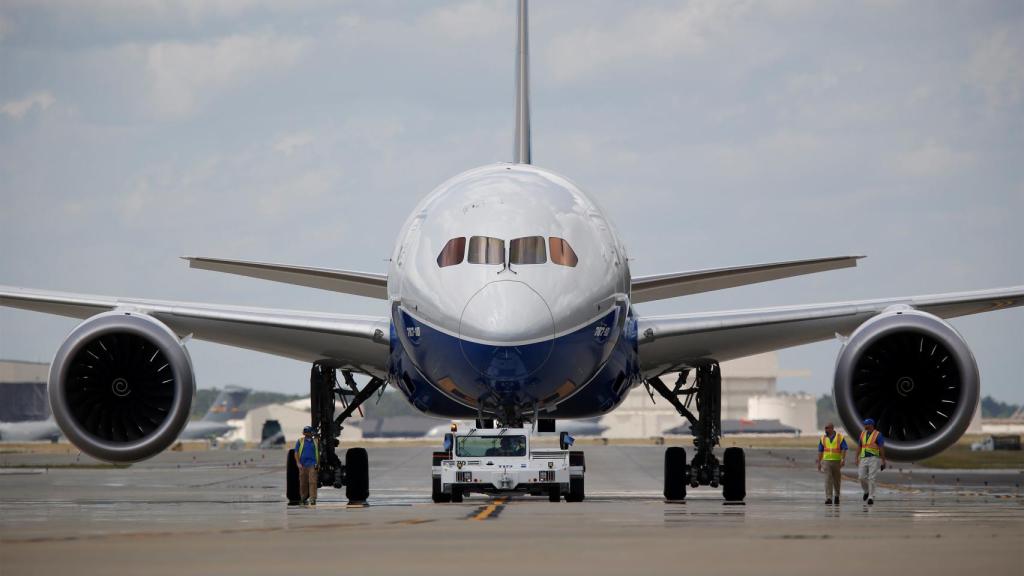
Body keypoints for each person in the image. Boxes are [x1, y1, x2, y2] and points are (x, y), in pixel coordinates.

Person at [856, 418, 887, 505]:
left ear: (871, 425)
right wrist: (856, 457)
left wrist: (883, 460)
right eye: (865, 424)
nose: (865, 426)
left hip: (873, 458)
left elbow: (881, 447)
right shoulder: (862, 434)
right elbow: (859, 446)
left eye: (867, 424)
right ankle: (866, 491)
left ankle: (871, 497)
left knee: (872, 478)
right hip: (863, 458)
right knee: (861, 477)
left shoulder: (878, 435)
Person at [816, 422, 847, 505]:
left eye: (827, 428)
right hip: (826, 461)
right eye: (825, 428)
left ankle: (837, 495)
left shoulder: (840, 437)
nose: (825, 430)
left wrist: (843, 459)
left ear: (832, 428)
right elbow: (820, 451)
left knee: (837, 480)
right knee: (828, 479)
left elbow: (844, 448)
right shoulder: (823, 438)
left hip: (837, 461)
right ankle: (829, 498)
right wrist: (819, 462)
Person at [294, 426, 320, 506]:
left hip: (312, 464)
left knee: (313, 482)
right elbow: (296, 453)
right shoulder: (300, 441)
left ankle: (312, 498)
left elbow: (318, 453)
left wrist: (318, 463)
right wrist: (298, 463)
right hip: (303, 465)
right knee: (303, 482)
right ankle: (303, 498)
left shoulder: (315, 441)